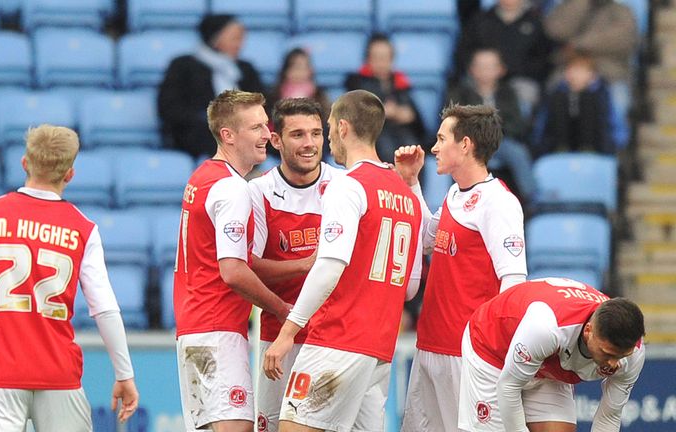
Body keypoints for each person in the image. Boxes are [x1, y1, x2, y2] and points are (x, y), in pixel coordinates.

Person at [0, 124, 139, 431]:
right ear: (70, 174)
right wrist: (124, 374)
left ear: (24, 163)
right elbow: (105, 308)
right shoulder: (83, 229)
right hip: (59, 375)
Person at [263, 90, 428, 431]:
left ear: (341, 128)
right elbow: (410, 286)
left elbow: (330, 264)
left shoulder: (347, 185)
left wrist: (288, 332)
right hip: (380, 347)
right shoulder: (405, 192)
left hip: (337, 340)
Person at [400, 104, 527, 432]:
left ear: (466, 144)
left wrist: (491, 349)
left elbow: (513, 280)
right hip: (430, 344)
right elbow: (429, 240)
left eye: (442, 139)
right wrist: (412, 181)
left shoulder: (498, 203)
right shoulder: (455, 194)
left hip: (467, 354)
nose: (434, 147)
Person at [173, 90, 291, 432]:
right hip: (217, 329)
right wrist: (281, 309)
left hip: (197, 327)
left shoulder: (202, 177)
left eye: (266, 125)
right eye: (256, 127)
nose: (267, 134)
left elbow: (236, 259)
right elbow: (233, 271)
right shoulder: (232, 188)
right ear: (228, 135)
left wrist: (301, 266)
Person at [248, 97, 339, 432]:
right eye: (298, 134)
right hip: (277, 332)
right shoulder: (260, 191)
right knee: (270, 426)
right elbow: (251, 266)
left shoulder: (343, 186)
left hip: (331, 334)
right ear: (276, 140)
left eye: (316, 133)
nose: (310, 144)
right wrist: (308, 265)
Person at [459, 278, 645, 431]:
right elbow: (508, 387)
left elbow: (609, 416)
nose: (613, 364)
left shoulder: (634, 353)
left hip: (547, 359)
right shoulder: (547, 327)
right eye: (607, 353)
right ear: (589, 331)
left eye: (621, 356)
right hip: (493, 345)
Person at [158, 14, 265, 159]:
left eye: (241, 38)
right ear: (215, 38)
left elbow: (262, 104)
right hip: (197, 138)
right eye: (234, 38)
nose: (240, 43)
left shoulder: (246, 69)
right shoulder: (183, 66)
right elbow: (170, 108)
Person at [544, 0, 638, 149]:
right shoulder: (570, 6)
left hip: (610, 72)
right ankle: (552, 147)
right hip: (569, 68)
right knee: (550, 93)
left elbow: (622, 39)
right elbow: (556, 30)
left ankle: (618, 150)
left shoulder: (621, 11)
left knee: (620, 102)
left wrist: (579, 44)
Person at [448, 48, 536, 202]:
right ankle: (459, 198)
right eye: (481, 66)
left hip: (501, 141)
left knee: (518, 153)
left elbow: (517, 124)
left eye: (490, 66)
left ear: (501, 70)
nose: (485, 71)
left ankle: (531, 197)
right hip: (470, 143)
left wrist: (494, 129)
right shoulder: (461, 93)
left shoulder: (508, 94)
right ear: (472, 70)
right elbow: (453, 120)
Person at [455, 0, 553, 111]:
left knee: (527, 93)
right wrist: (482, 70)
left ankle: (518, 127)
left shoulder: (536, 23)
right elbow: (464, 54)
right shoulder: (480, 20)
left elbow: (543, 59)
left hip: (520, 79)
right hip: (481, 78)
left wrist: (510, 69)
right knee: (463, 94)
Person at [345, 33, 427, 161]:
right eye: (377, 57)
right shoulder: (357, 82)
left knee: (414, 151)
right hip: (375, 139)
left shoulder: (401, 83)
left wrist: (403, 114)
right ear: (368, 58)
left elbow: (415, 118)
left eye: (385, 57)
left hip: (402, 135)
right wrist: (382, 112)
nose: (381, 62)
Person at [531, 52, 618, 157]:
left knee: (588, 99)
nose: (575, 75)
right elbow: (543, 122)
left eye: (581, 71)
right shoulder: (556, 94)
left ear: (592, 75)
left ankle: (587, 148)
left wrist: (611, 145)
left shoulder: (601, 94)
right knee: (559, 99)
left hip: (595, 144)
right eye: (572, 70)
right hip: (561, 142)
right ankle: (561, 148)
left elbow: (611, 123)